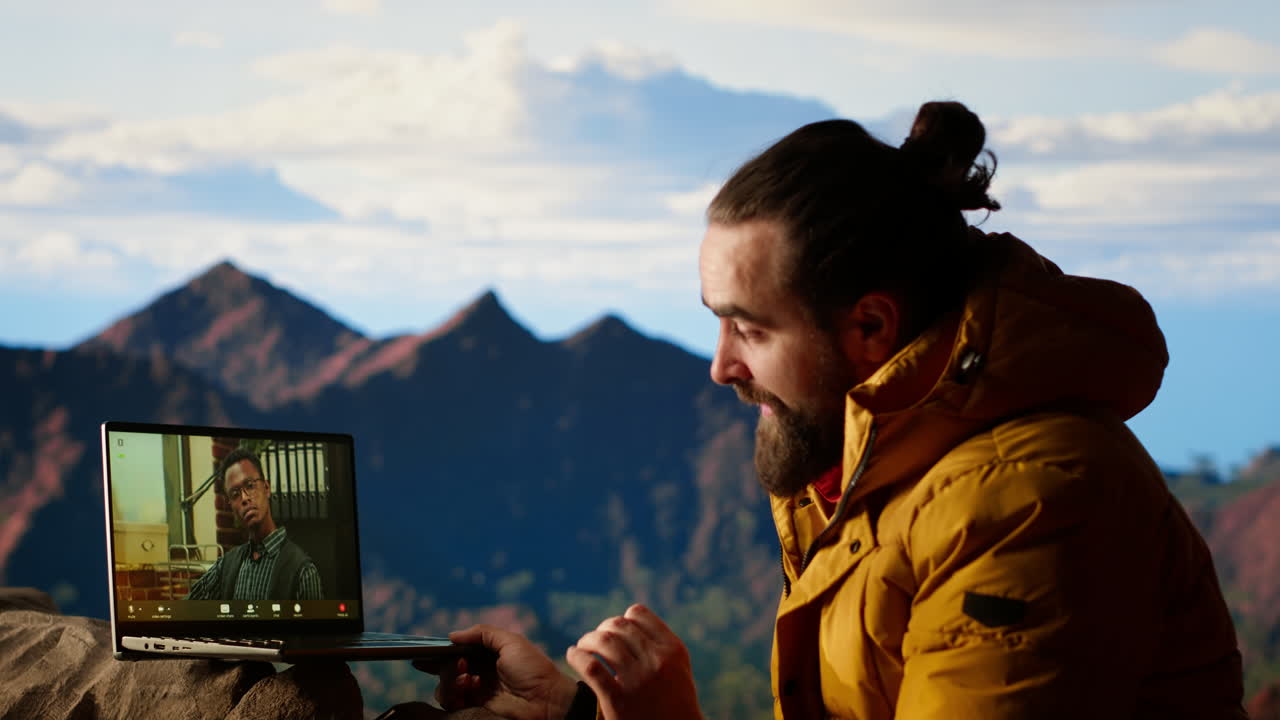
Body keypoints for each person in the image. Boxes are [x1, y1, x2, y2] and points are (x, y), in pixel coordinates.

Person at [422, 101, 1247, 719]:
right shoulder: (873, 469)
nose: (720, 367)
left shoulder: (1029, 505)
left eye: (748, 327)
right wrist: (578, 713)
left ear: (869, 326)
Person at [187, 448, 323, 602]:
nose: (244, 498)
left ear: (266, 488)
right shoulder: (226, 565)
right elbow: (186, 608)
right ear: (231, 506)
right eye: (235, 494)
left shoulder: (302, 570)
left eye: (250, 486)